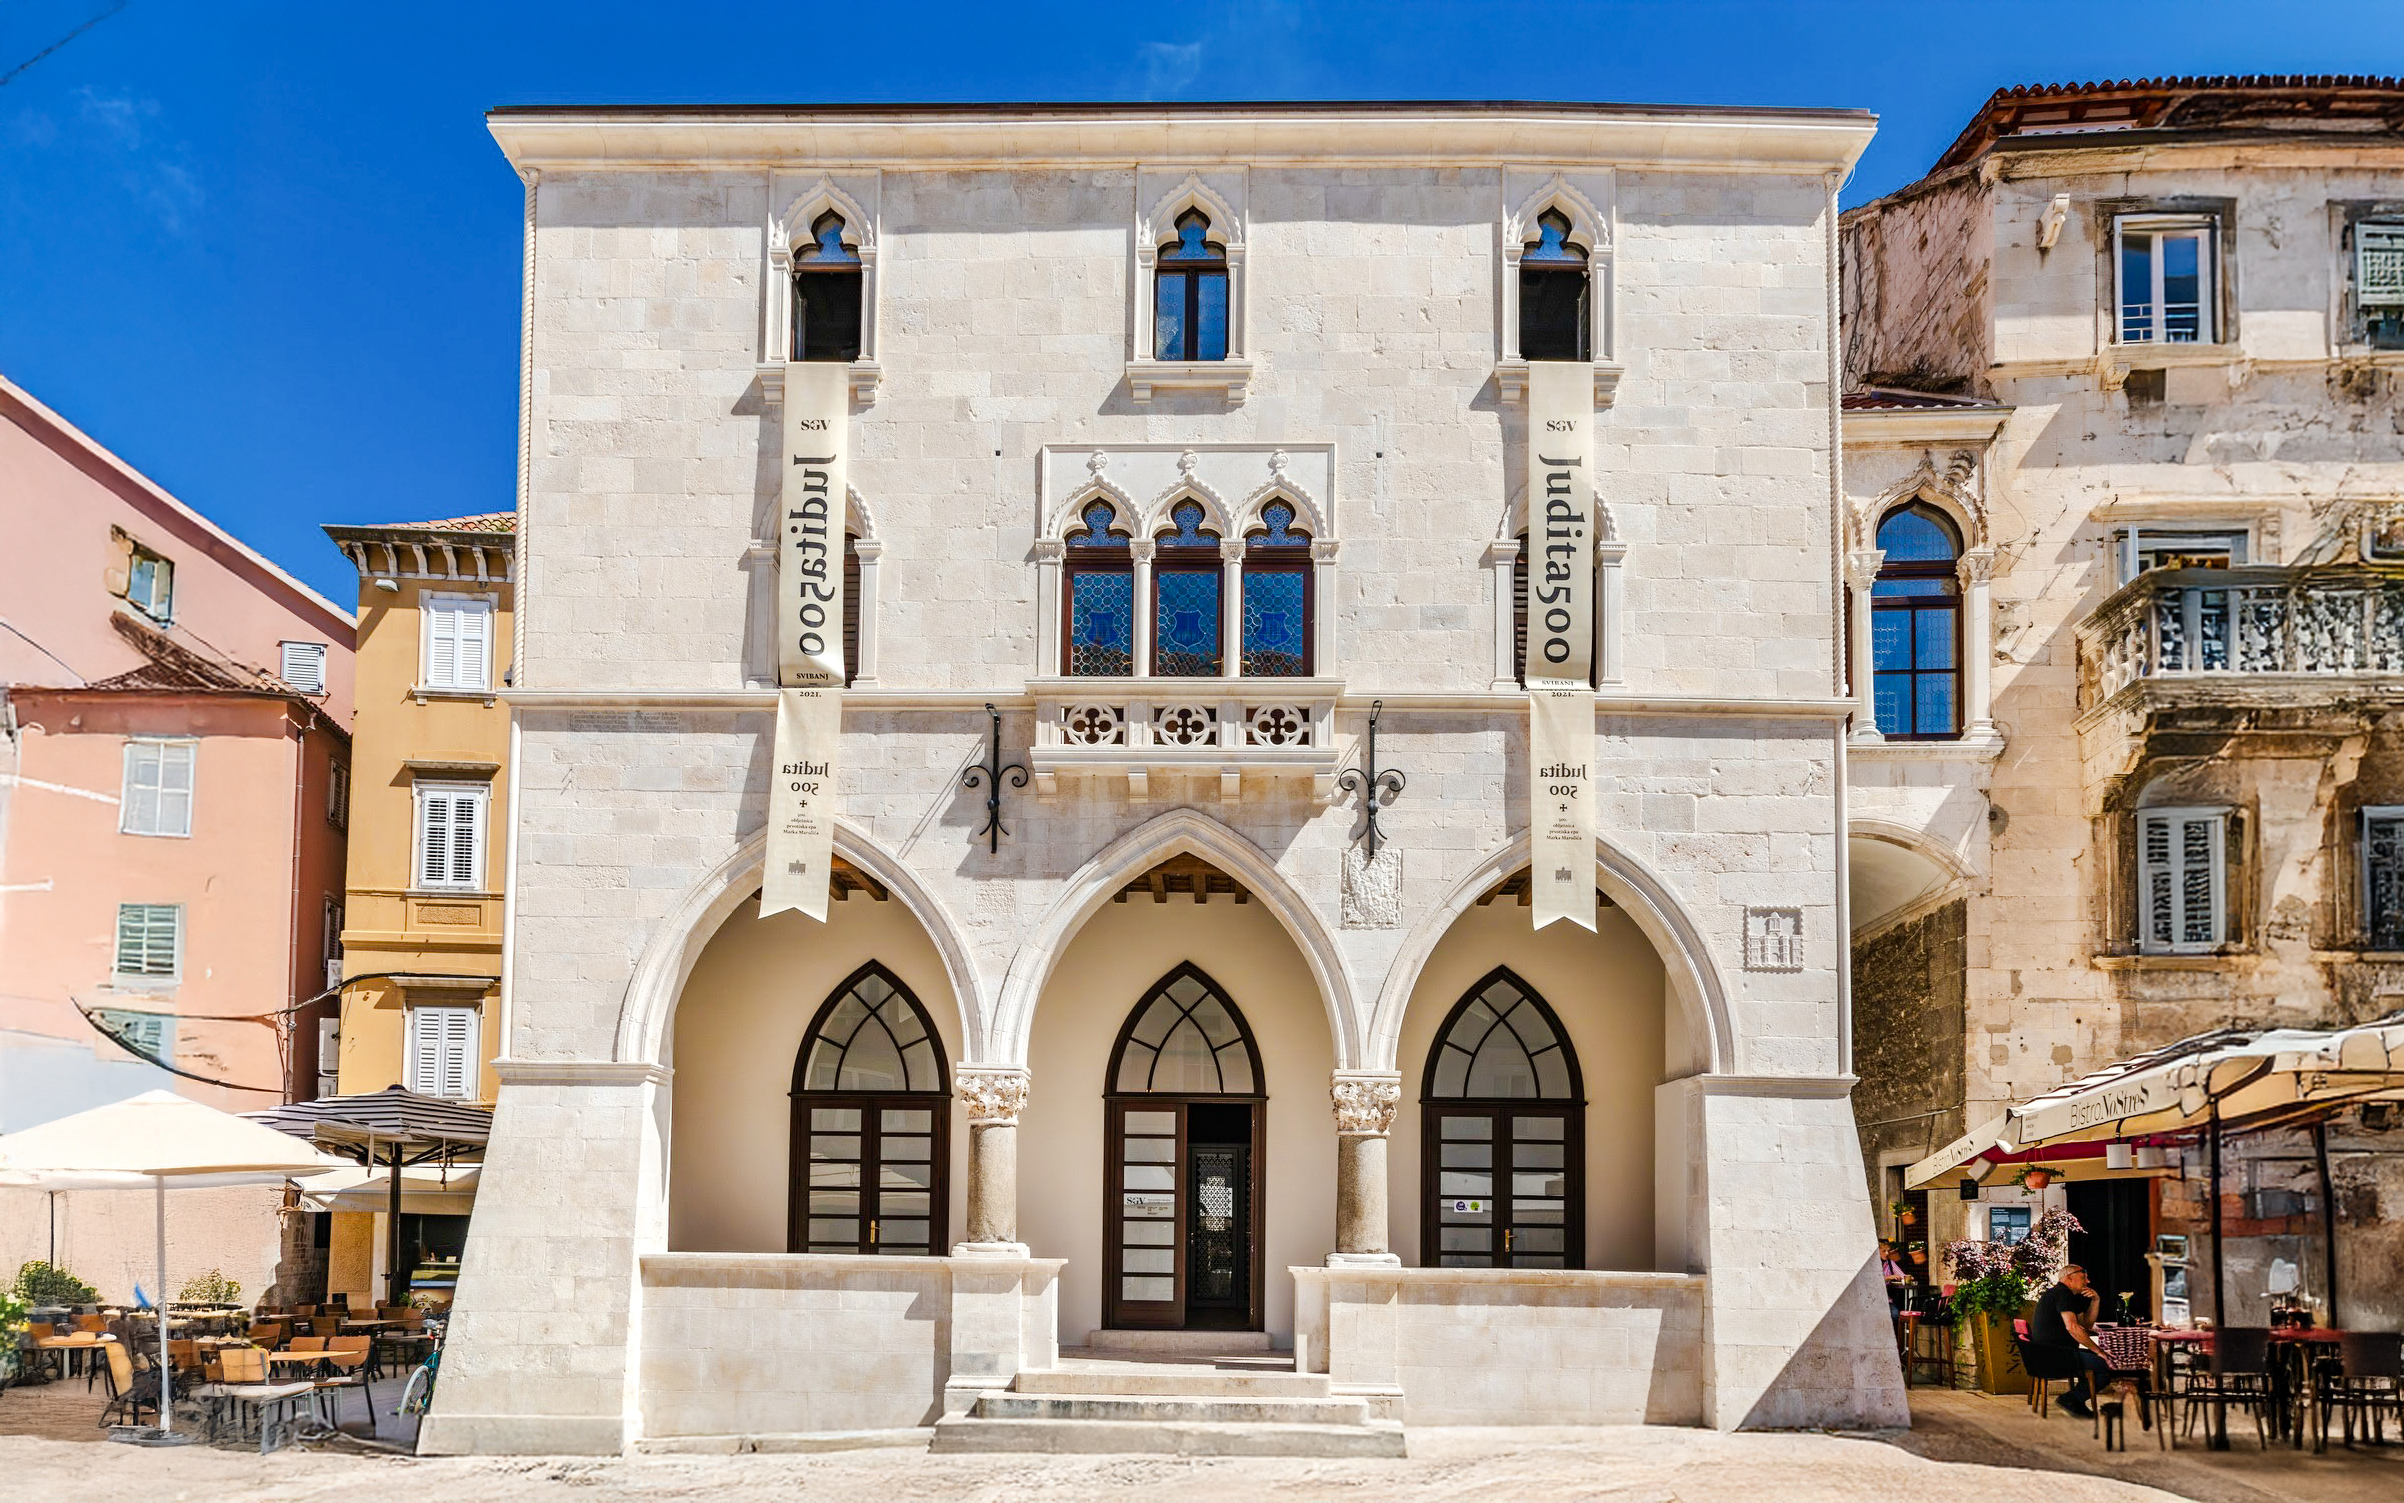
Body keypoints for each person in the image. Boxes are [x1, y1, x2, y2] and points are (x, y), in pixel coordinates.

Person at [2033, 1263, 2143, 1423]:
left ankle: (2075, 1400)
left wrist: (2095, 1300)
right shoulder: (2062, 1294)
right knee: (2108, 1365)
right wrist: (2099, 1351)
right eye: (2083, 1276)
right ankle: (2071, 1399)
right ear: (2069, 1278)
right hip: (2056, 1356)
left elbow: (2086, 1325)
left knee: (2102, 1363)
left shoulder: (2066, 1295)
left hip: (2055, 1353)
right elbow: (2072, 1327)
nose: (2088, 1281)